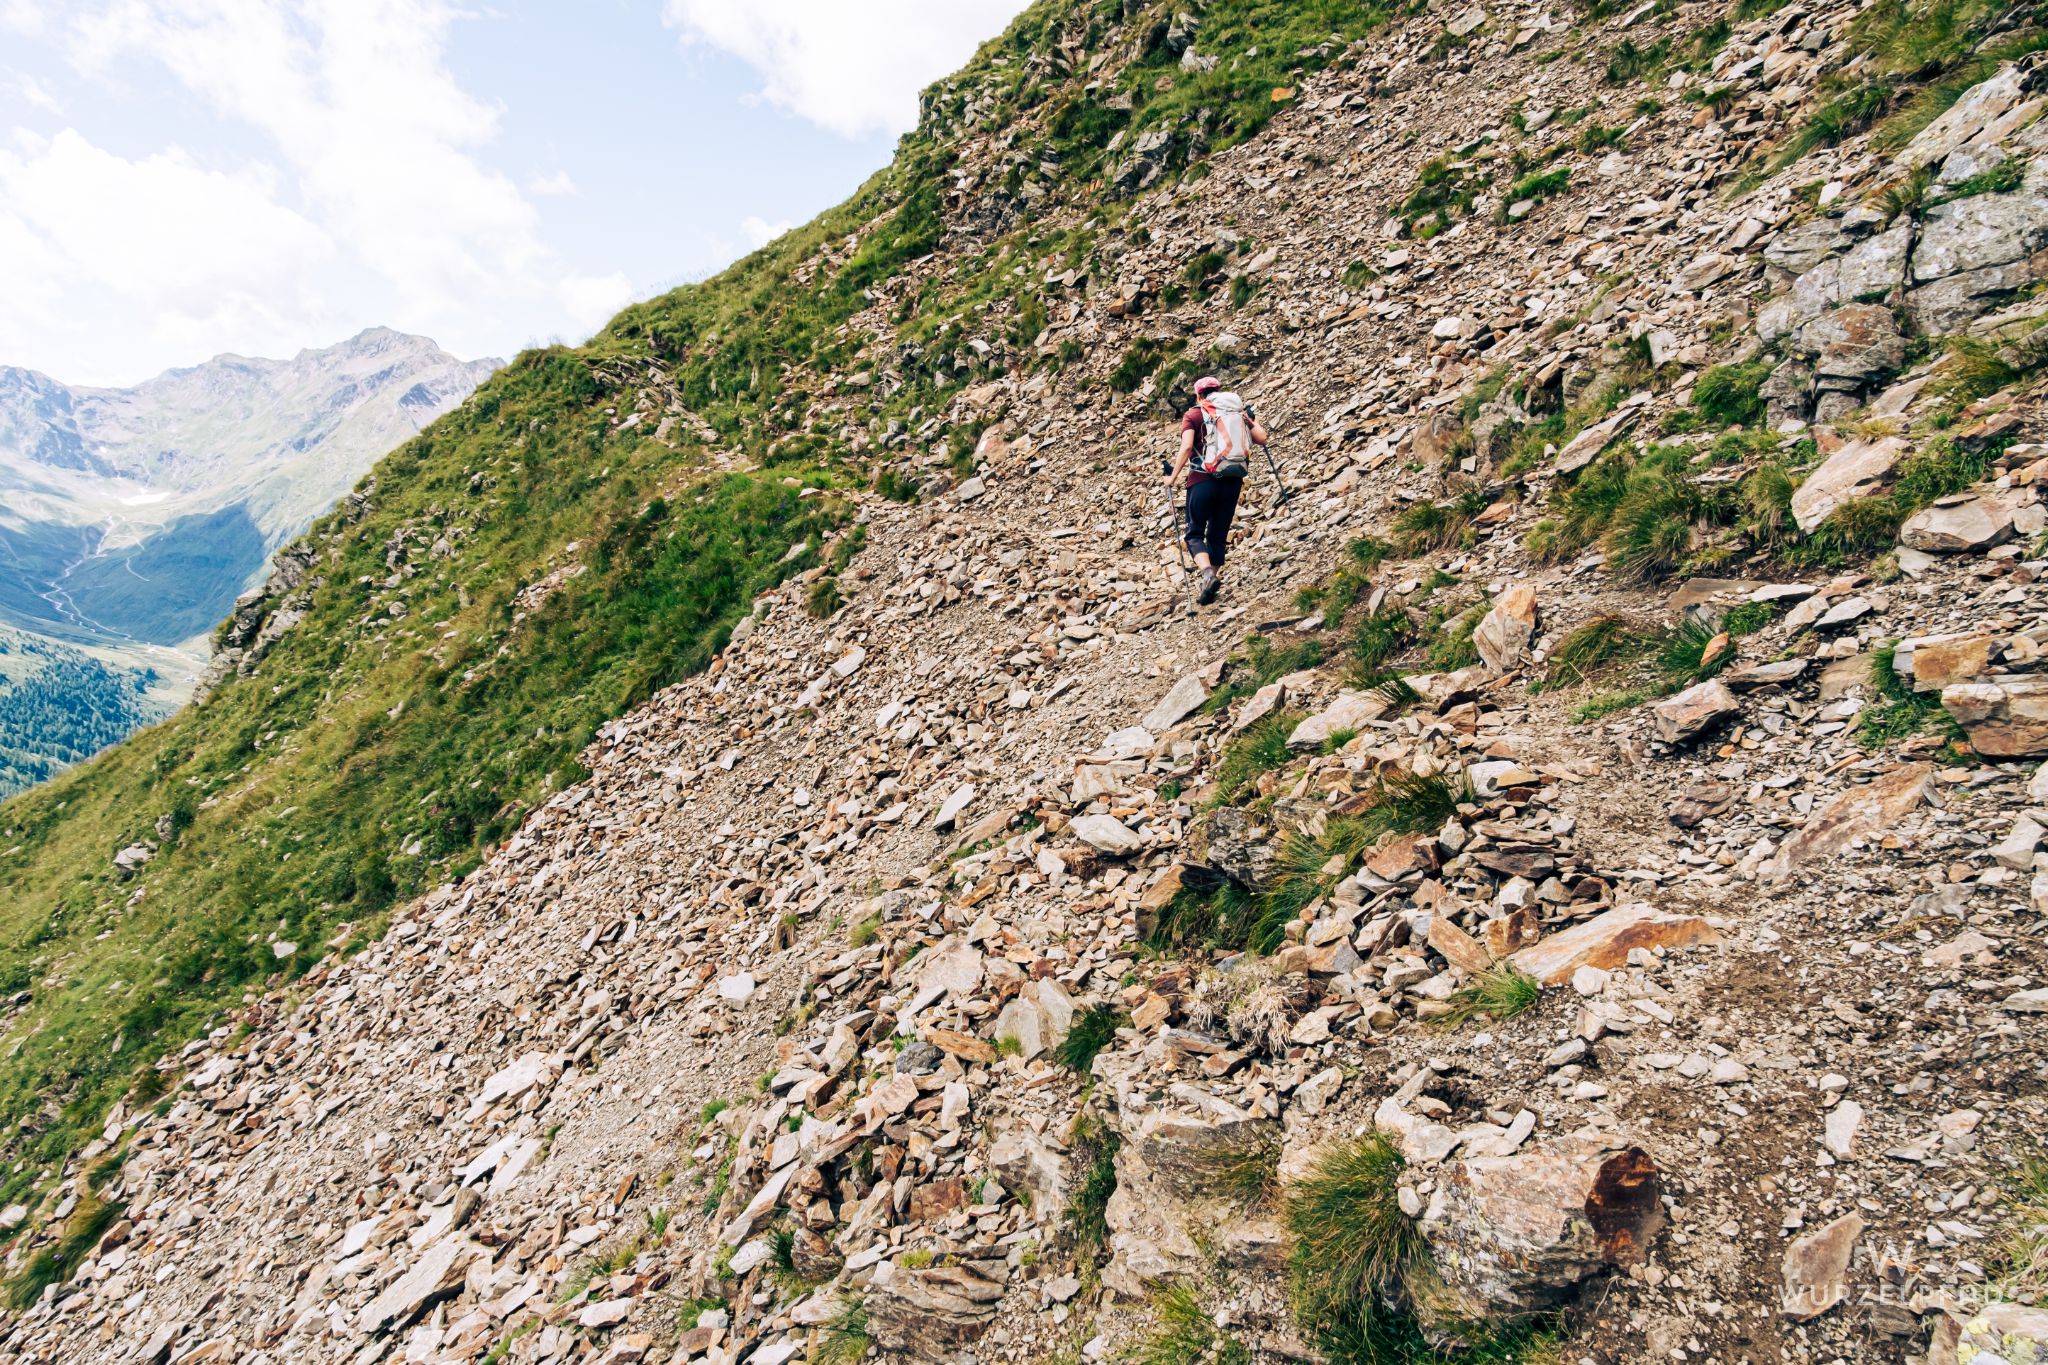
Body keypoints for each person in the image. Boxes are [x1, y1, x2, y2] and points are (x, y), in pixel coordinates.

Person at [1164, 375, 1269, 605]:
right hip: (1232, 481)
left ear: (1198, 395)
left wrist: (1172, 477)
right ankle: (1209, 585)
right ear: (1219, 390)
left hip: (1202, 481)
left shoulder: (1193, 414)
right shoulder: (1237, 413)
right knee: (1218, 535)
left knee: (1194, 533)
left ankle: (1207, 574)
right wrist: (1253, 419)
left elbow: (1187, 446)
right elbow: (1262, 439)